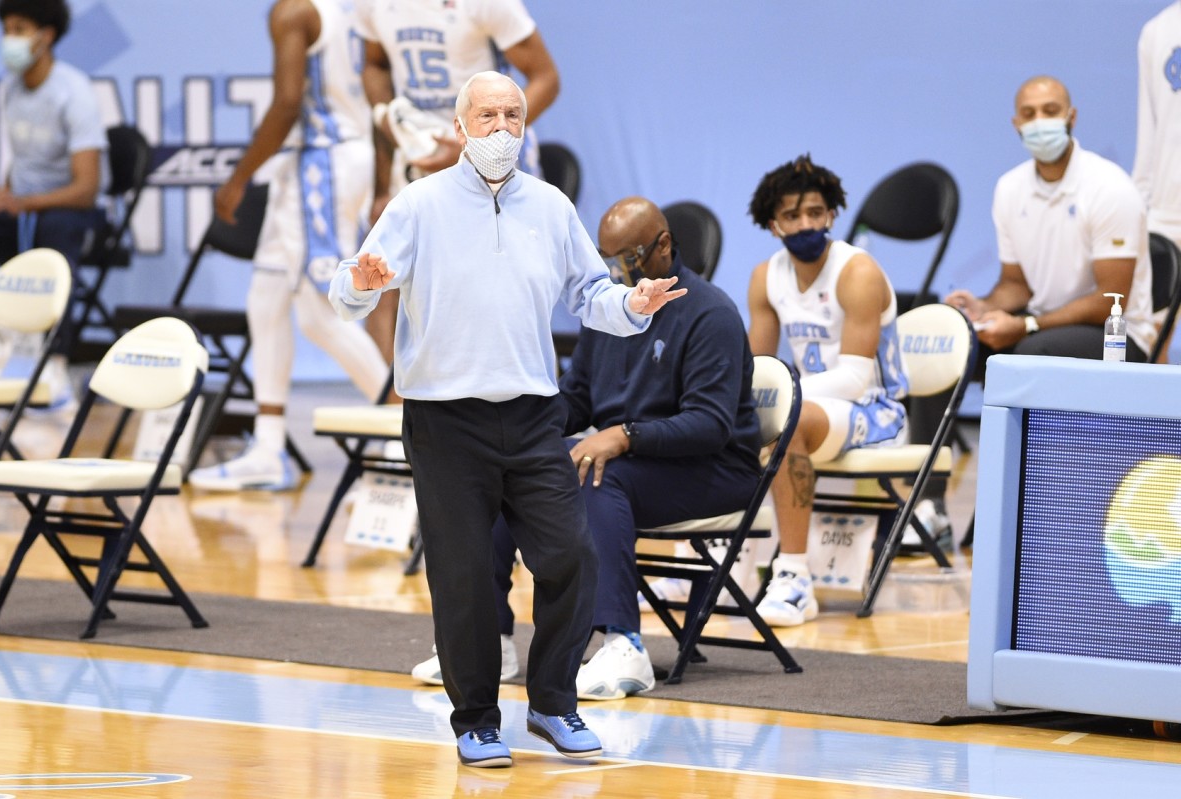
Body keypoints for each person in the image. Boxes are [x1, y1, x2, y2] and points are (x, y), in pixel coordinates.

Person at [327, 72, 685, 768]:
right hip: (444, 420)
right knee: (462, 575)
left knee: (572, 555)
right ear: (460, 127)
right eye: (486, 115)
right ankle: (476, 721)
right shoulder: (419, 204)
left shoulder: (550, 206)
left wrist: (633, 306)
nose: (500, 128)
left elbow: (590, 293)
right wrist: (361, 284)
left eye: (513, 115)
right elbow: (350, 289)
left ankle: (552, 702)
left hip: (531, 416)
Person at [408, 196, 763, 702]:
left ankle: (624, 643)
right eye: (606, 258)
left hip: (715, 469)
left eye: (627, 258)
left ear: (664, 246)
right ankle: (491, 641)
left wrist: (624, 435)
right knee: (508, 469)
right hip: (637, 460)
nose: (615, 270)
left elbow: (710, 425)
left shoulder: (711, 314)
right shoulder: (611, 310)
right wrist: (515, 428)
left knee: (597, 474)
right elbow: (577, 398)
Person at [187, 0, 392, 492]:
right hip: (324, 159)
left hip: (323, 165)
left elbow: (286, 102)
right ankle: (268, 446)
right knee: (266, 299)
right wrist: (381, 181)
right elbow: (378, 101)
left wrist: (239, 178)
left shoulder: (293, 11)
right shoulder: (354, 9)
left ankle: (406, 428)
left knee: (321, 314)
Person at [746, 154, 909, 628]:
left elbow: (855, 378)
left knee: (785, 421)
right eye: (793, 215)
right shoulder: (766, 277)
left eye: (815, 212)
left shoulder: (857, 272)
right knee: (727, 417)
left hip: (877, 411)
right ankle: (717, 559)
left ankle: (795, 579)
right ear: (773, 225)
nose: (806, 224)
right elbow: (759, 369)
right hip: (815, 407)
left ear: (832, 215)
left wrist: (782, 397)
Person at [353, 0, 560, 369]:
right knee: (381, 282)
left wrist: (474, 145)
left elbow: (546, 78)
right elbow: (375, 64)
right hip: (417, 150)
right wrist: (384, 119)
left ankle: (518, 387)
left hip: (489, 151)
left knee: (497, 289)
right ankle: (393, 395)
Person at [946, 75, 1155, 365]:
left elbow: (1109, 301)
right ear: (1016, 124)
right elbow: (1016, 285)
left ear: (1072, 117)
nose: (1040, 122)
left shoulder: (1110, 188)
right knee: (956, 343)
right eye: (1029, 114)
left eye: (1050, 111)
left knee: (1031, 355)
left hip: (1116, 333)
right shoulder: (1009, 188)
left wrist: (1027, 326)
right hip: (1041, 322)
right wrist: (982, 307)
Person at [0, 0, 106, 407]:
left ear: (46, 36)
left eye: (19, 29)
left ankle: (55, 364)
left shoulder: (74, 91)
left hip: (71, 212)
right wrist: (3, 196)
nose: (9, 40)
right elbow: (19, 165)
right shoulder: (9, 90)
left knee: (54, 237)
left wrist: (25, 203)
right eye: (6, 30)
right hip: (26, 207)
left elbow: (86, 188)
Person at [1132, 2, 1181, 363]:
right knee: (1150, 343)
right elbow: (1149, 131)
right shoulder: (1159, 29)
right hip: (1168, 214)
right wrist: (1139, 210)